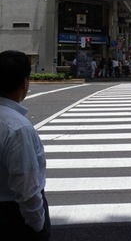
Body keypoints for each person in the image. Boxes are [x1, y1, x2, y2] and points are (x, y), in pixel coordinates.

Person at [0, 50, 51, 240]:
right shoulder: (17, 128)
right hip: (14, 219)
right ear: (24, 83)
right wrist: (38, 225)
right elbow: (27, 189)